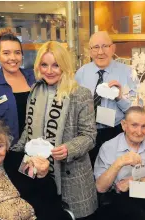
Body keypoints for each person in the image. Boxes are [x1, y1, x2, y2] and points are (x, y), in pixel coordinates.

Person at [11, 41, 98, 219]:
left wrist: (69, 149)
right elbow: (28, 129)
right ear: (38, 66)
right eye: (44, 65)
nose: (49, 71)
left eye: (56, 65)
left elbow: (89, 135)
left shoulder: (80, 94)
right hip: (39, 173)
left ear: (64, 66)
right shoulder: (35, 91)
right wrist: (12, 153)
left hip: (72, 175)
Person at [75, 31, 137, 166]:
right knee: (90, 172)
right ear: (90, 51)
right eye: (95, 47)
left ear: (113, 48)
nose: (100, 52)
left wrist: (119, 98)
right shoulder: (81, 73)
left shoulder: (127, 73)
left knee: (116, 171)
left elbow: (136, 111)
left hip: (116, 131)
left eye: (105, 46)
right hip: (88, 133)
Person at [0, 28, 35, 146]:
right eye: (6, 53)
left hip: (38, 149)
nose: (12, 58)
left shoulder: (34, 78)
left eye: (17, 52)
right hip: (8, 151)